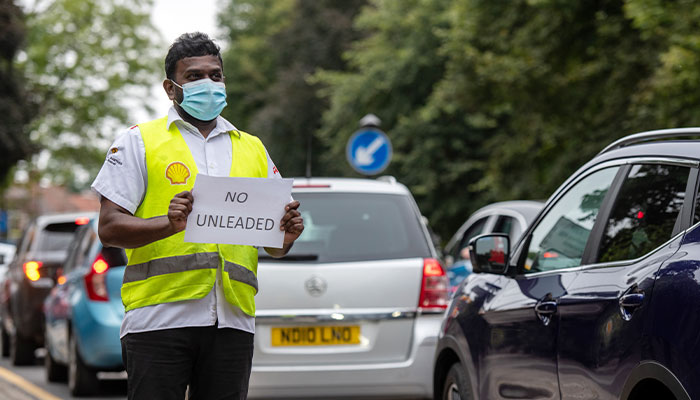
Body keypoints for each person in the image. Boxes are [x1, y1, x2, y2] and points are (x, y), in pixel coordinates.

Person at [91, 32, 304, 400]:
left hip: (233, 321)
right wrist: (167, 224)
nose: (208, 83)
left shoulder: (252, 148)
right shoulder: (139, 141)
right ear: (170, 88)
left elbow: (273, 244)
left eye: (215, 75)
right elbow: (109, 228)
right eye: (194, 76)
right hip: (158, 320)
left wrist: (284, 239)